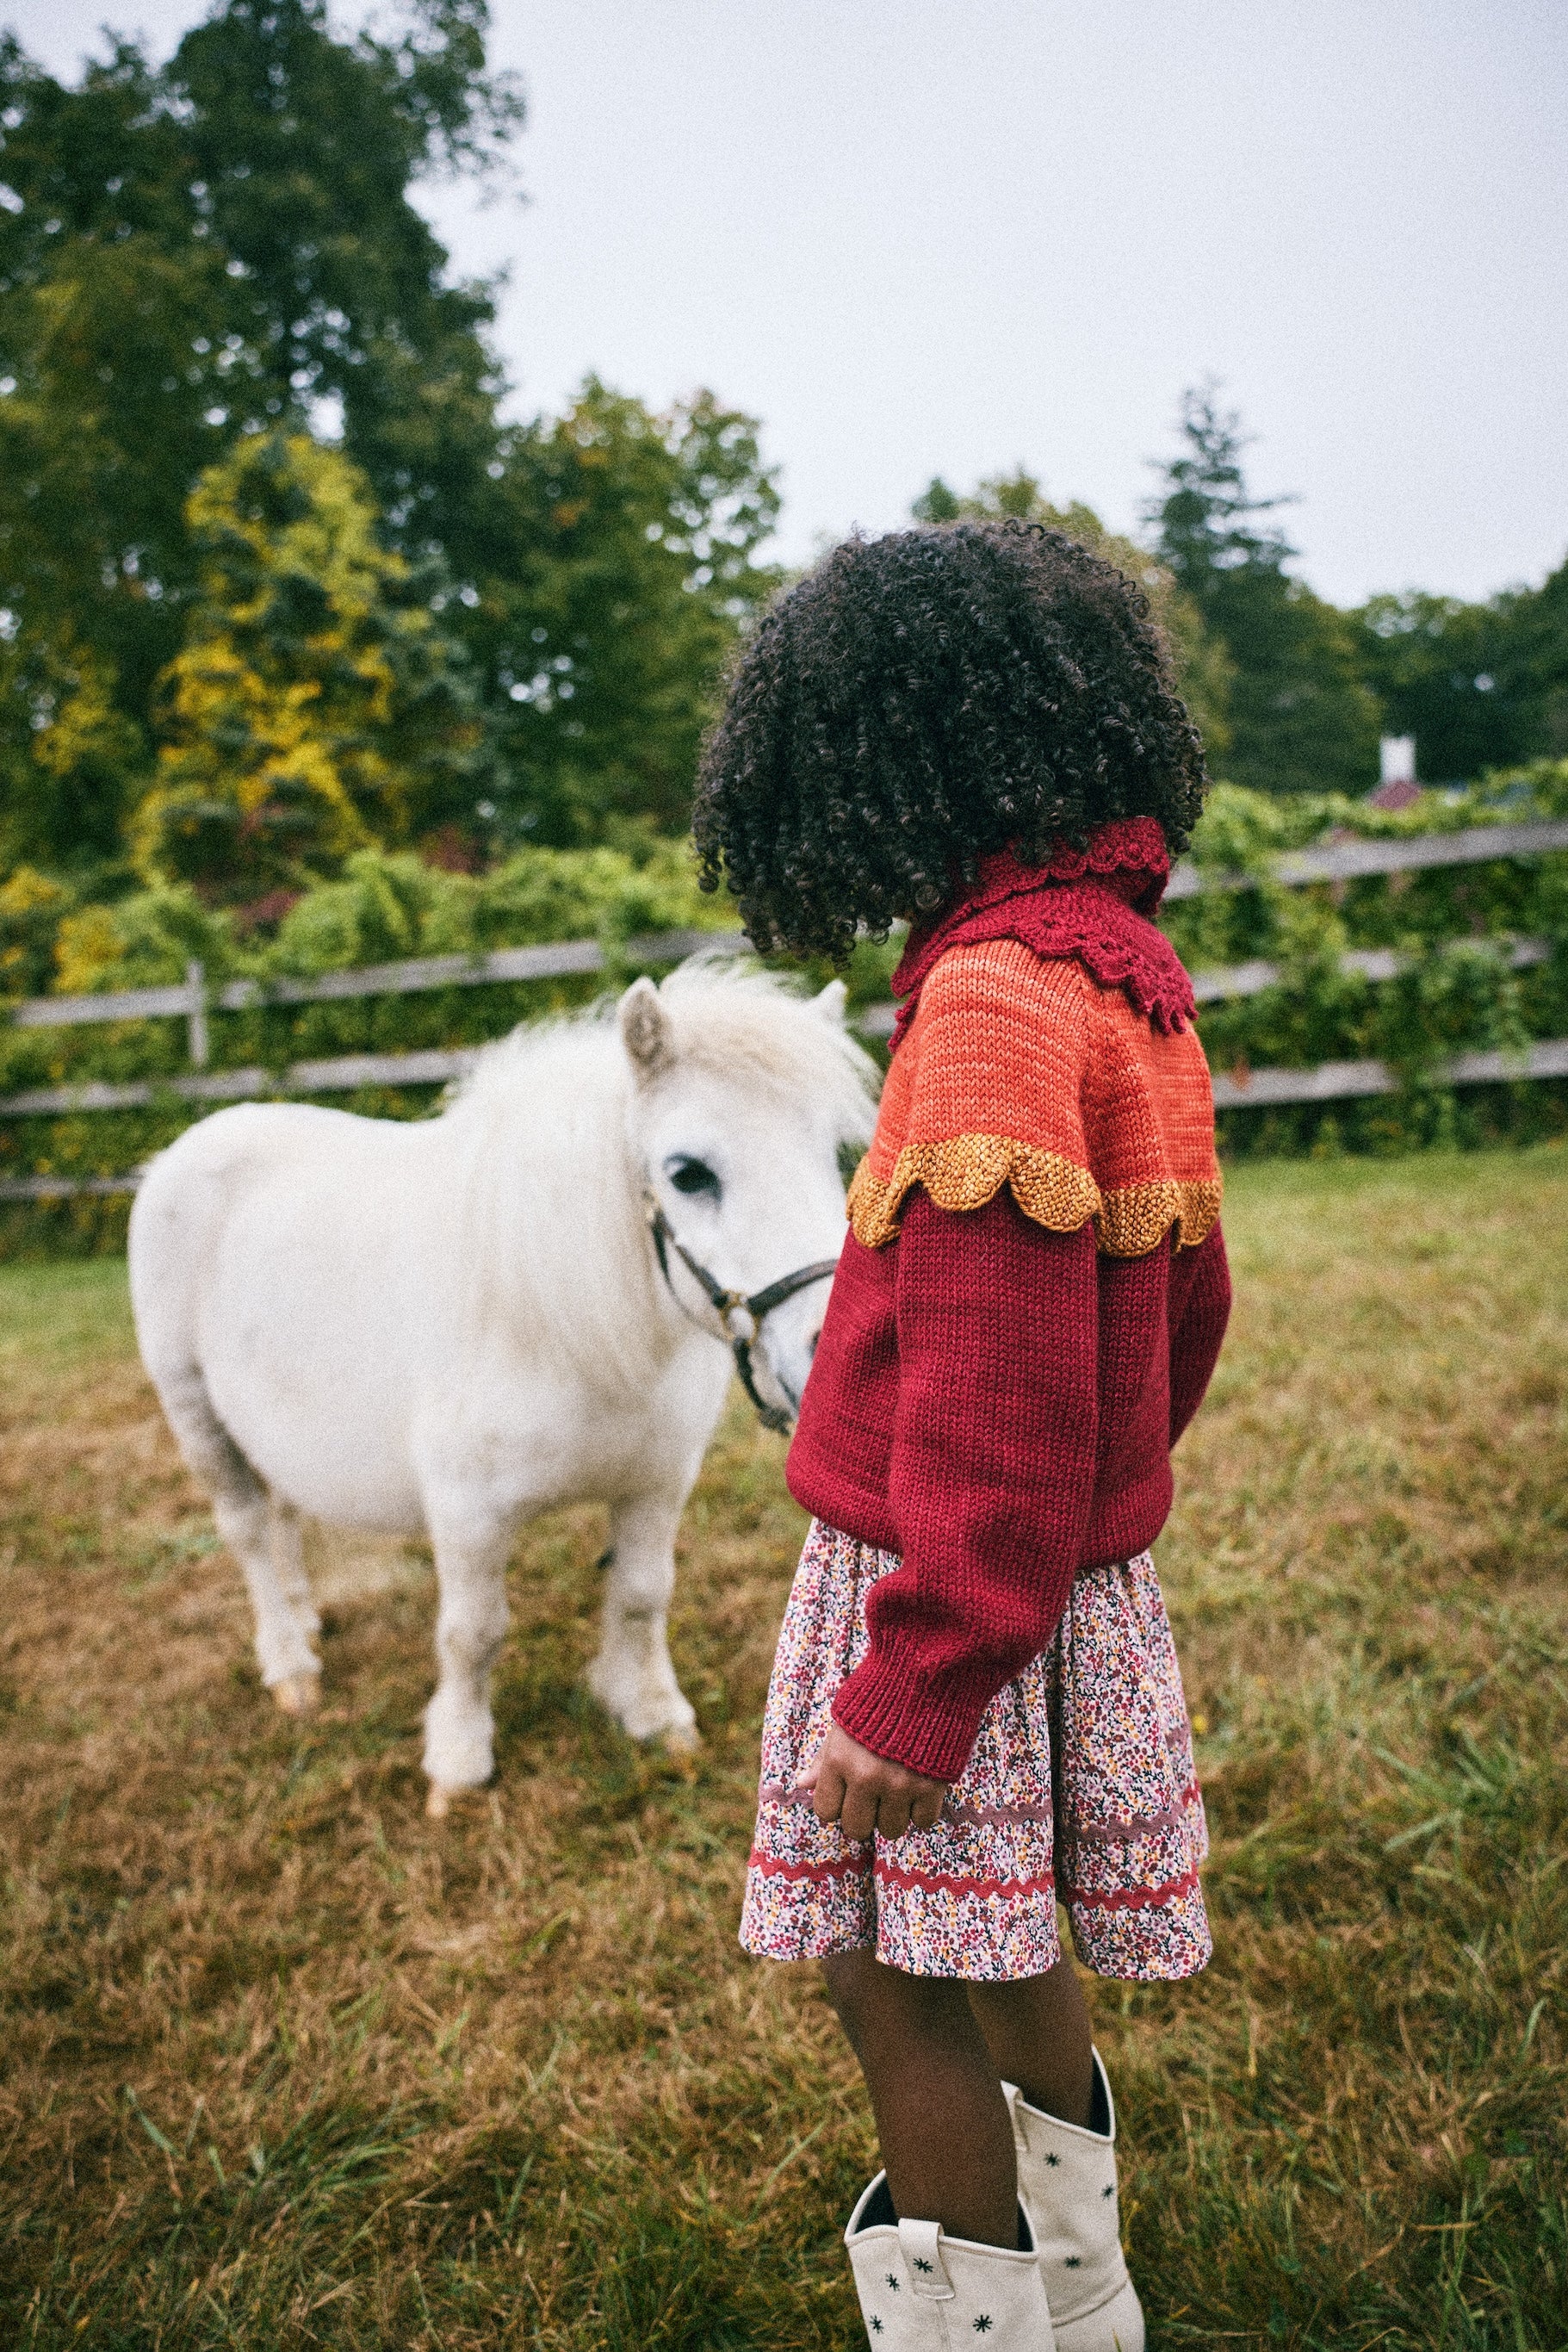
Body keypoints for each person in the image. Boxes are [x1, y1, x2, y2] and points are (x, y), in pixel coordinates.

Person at [692, 521, 1232, 2350]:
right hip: (1036, 1582)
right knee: (996, 1936)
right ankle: (1086, 2287)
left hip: (941, 1588)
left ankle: (1001, 2330)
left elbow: (996, 1404)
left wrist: (919, 1673)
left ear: (881, 760)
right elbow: (1181, 1324)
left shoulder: (991, 1006)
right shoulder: (1121, 980)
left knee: (886, 1965)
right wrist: (1082, 1539)